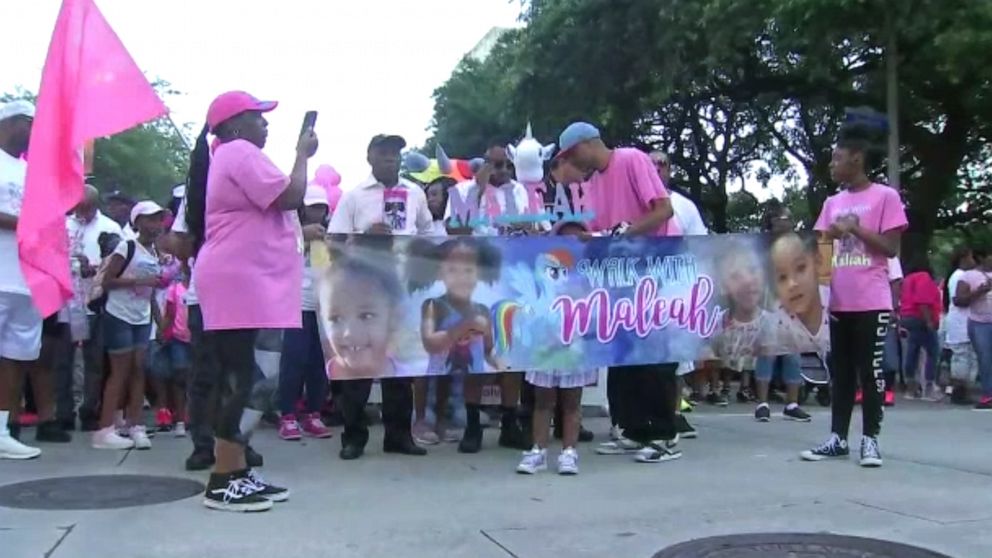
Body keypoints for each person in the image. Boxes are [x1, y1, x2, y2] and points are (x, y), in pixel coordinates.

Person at [188, 91, 316, 511]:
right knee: (246, 380)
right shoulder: (239, 152)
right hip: (239, 284)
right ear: (234, 125)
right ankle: (223, 480)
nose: (266, 124)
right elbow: (291, 196)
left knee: (256, 381)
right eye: (258, 117)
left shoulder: (232, 154)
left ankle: (238, 473)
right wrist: (303, 155)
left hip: (250, 284)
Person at [556, 121, 682, 464]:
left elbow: (663, 210)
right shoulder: (593, 182)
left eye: (571, 154)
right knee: (623, 351)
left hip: (655, 265)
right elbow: (601, 232)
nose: (572, 163)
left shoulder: (631, 159)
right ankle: (632, 429)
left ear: (586, 144)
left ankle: (664, 435)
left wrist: (624, 233)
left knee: (655, 352)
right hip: (620, 273)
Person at [801, 125, 907, 467]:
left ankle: (870, 440)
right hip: (840, 302)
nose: (832, 165)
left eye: (837, 158)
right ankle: (837, 438)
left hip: (872, 301)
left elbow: (891, 249)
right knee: (842, 372)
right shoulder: (832, 203)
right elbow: (820, 252)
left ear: (857, 159)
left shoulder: (885, 197)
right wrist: (829, 237)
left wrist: (856, 228)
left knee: (870, 372)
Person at [327, 133, 431, 461]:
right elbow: (333, 242)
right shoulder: (355, 196)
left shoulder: (415, 193)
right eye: (384, 152)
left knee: (400, 366)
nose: (391, 158)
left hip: (402, 289)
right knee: (358, 365)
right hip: (364, 291)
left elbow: (428, 233)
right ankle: (353, 436)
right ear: (370, 157)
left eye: (396, 153)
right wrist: (363, 239)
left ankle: (398, 435)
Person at [407, 237, 512, 453]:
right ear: (439, 273)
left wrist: (499, 361)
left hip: (465, 380)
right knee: (426, 378)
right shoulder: (433, 306)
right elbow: (429, 343)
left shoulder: (483, 310)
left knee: (463, 399)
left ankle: (456, 421)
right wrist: (465, 326)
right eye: (452, 270)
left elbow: (488, 349)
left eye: (468, 270)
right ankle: (422, 419)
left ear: (479, 274)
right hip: (436, 375)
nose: (461, 278)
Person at [516, 220, 597, 475]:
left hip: (574, 345)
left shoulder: (587, 273)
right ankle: (538, 450)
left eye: (576, 239)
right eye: (564, 238)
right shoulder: (541, 271)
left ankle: (569, 452)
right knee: (542, 401)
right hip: (545, 344)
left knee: (572, 403)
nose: (570, 243)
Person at [92, 201, 165, 450]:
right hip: (119, 314)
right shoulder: (127, 246)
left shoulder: (155, 252)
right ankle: (104, 429)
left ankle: (136, 425)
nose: (155, 224)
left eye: (158, 218)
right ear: (137, 222)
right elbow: (108, 280)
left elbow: (151, 291)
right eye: (149, 218)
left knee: (138, 370)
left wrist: (158, 318)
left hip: (141, 317)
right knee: (120, 371)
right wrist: (138, 279)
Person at [650, 150, 705, 438]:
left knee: (677, 359)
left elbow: (700, 245)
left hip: (675, 292)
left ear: (670, 170)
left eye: (663, 164)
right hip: (639, 295)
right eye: (652, 164)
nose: (658, 168)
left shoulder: (685, 206)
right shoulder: (635, 202)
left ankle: (674, 414)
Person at [0, 100, 43, 460]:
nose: (33, 130)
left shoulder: (30, 171)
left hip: (26, 279)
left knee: (16, 356)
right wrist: (26, 226)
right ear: (8, 123)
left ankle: (2, 429)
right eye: (28, 122)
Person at [61, 184, 123, 433]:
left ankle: (89, 410)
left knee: (94, 361)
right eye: (78, 207)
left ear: (96, 206)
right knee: (62, 360)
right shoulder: (63, 225)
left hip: (96, 302)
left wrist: (95, 268)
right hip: (66, 302)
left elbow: (119, 265)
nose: (81, 213)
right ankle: (62, 412)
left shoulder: (110, 228)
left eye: (86, 208)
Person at [277, 185, 332, 440]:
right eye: (312, 207)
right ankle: (287, 414)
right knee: (293, 360)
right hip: (293, 305)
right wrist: (302, 236)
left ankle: (313, 412)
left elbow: (324, 271)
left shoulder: (327, 236)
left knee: (318, 362)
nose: (316, 212)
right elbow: (277, 256)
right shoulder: (287, 230)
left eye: (321, 207)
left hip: (319, 307)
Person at [149, 271, 191, 437]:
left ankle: (190, 414)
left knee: (193, 379)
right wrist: (162, 330)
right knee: (179, 376)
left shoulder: (200, 288)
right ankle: (179, 419)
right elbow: (170, 313)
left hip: (197, 340)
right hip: (178, 339)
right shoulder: (175, 289)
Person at [900, 254, 943, 401]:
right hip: (919, 317)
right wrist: (929, 321)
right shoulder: (923, 277)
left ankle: (911, 387)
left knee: (912, 351)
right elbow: (923, 300)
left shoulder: (907, 279)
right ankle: (929, 387)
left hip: (906, 316)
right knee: (932, 351)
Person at [955, 248, 992, 411]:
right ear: (983, 257)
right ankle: (988, 395)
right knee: (985, 359)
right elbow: (958, 300)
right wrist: (980, 291)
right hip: (980, 324)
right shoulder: (968, 276)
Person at [944, 246, 977, 404]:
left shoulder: (957, 275)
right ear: (963, 259)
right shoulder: (961, 276)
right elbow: (959, 300)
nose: (973, 261)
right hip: (961, 323)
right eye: (971, 257)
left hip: (962, 323)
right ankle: (960, 391)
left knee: (965, 357)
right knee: (963, 357)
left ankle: (962, 390)